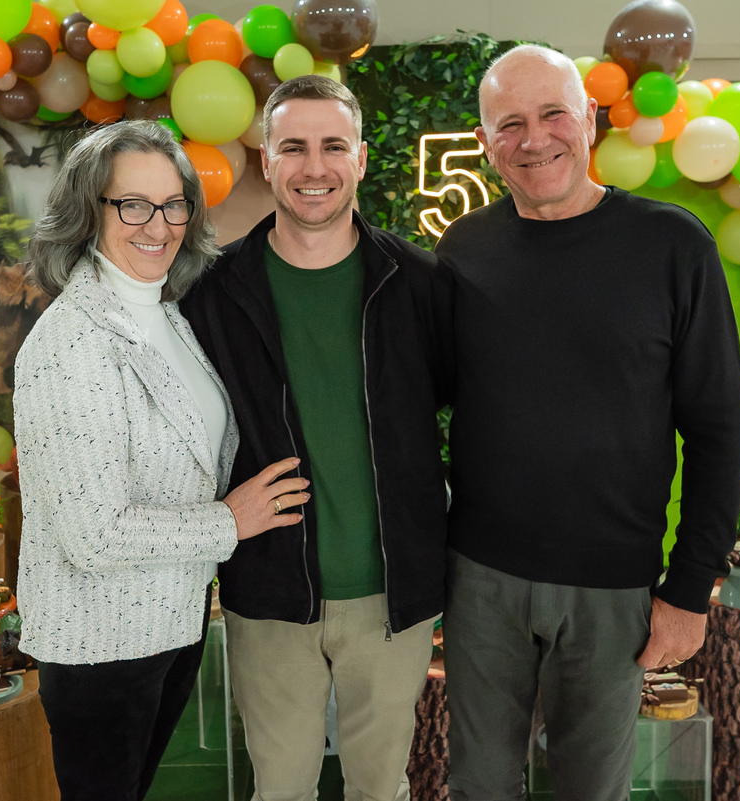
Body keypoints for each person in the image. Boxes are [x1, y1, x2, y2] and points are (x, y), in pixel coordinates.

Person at [435, 45, 740, 801]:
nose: (533, 138)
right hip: (482, 579)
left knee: (590, 789)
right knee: (477, 783)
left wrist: (689, 587)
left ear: (590, 119)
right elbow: (428, 400)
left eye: (552, 115)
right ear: (485, 143)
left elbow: (717, 427)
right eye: (509, 123)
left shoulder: (673, 245)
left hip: (614, 584)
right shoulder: (463, 250)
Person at [13, 120, 308, 801]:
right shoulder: (71, 343)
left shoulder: (165, 311)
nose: (160, 224)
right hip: (100, 644)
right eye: (133, 204)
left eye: (174, 203)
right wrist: (229, 522)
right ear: (90, 210)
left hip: (167, 622)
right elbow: (95, 533)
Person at [181, 75, 453, 800]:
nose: (314, 167)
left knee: (380, 787)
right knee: (282, 788)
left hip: (394, 593)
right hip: (268, 590)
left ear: (360, 159)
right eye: (293, 147)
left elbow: (477, 418)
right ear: (267, 161)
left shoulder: (420, 284)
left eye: (333, 146)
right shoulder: (212, 295)